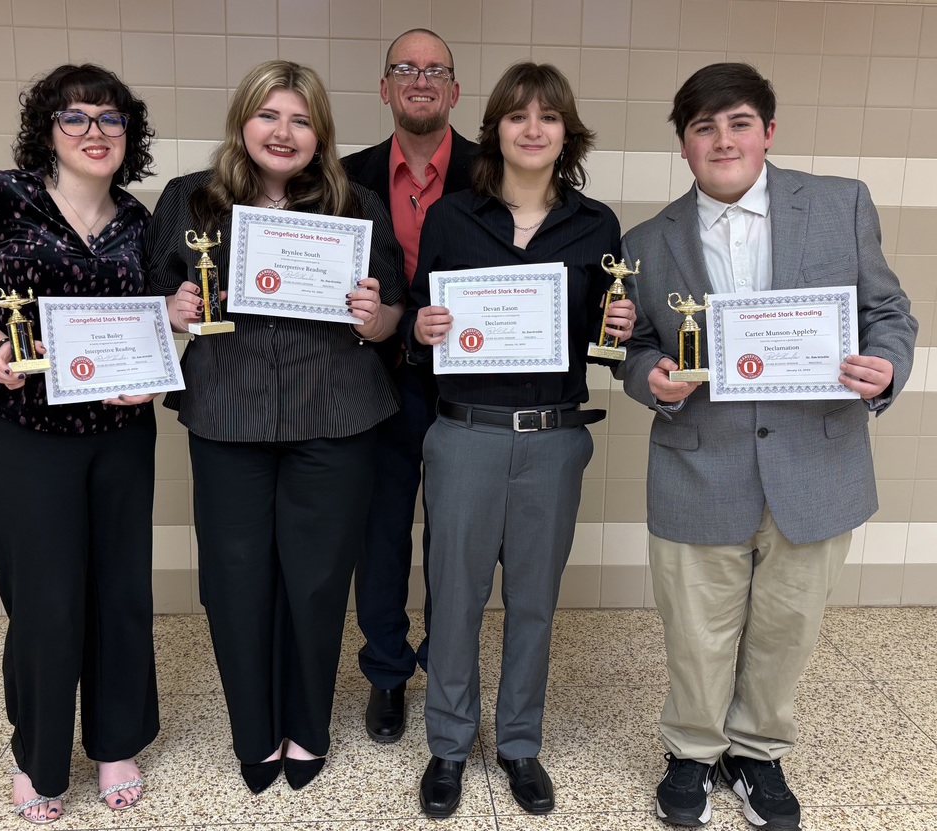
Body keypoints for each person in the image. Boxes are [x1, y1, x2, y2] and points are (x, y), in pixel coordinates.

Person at [616, 63, 917, 830]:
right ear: (683, 145)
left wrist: (885, 368)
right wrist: (652, 376)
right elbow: (637, 346)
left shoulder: (840, 204)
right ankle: (690, 749)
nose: (723, 139)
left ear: (768, 131)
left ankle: (756, 750)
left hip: (816, 462)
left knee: (788, 625)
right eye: (703, 127)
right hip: (698, 460)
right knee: (695, 627)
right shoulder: (645, 242)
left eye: (739, 122)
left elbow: (889, 312)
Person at [144, 60, 405, 795]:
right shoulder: (189, 201)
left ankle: (308, 725)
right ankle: (253, 733)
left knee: (319, 582)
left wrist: (374, 314)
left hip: (337, 412)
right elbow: (148, 297)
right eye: (269, 116)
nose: (283, 132)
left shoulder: (358, 205)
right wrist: (172, 310)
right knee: (234, 581)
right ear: (243, 123)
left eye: (300, 118)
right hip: (230, 412)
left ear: (319, 131)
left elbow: (391, 319)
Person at [0, 63, 160, 824]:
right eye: (77, 117)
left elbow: (155, 318)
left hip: (121, 432)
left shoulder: (139, 219)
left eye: (111, 118)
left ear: (130, 133)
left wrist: (152, 377)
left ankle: (116, 740)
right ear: (47, 130)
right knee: (45, 595)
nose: (95, 132)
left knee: (120, 587)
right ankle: (38, 753)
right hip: (27, 429)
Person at [404, 62, 636, 817]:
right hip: (464, 432)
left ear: (566, 132)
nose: (532, 128)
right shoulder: (451, 218)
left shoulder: (596, 224)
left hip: (553, 438)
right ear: (495, 128)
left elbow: (604, 333)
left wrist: (620, 327)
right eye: (516, 116)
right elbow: (416, 320)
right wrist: (421, 324)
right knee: (457, 600)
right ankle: (447, 743)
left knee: (534, 601)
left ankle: (518, 744)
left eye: (547, 116)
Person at [341, 27, 477, 744]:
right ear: (385, 87)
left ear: (454, 91)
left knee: (456, 541)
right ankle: (388, 673)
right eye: (405, 68)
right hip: (376, 386)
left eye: (435, 70)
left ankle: (450, 667)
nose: (420, 80)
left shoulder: (494, 172)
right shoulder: (342, 177)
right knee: (383, 536)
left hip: (471, 391)